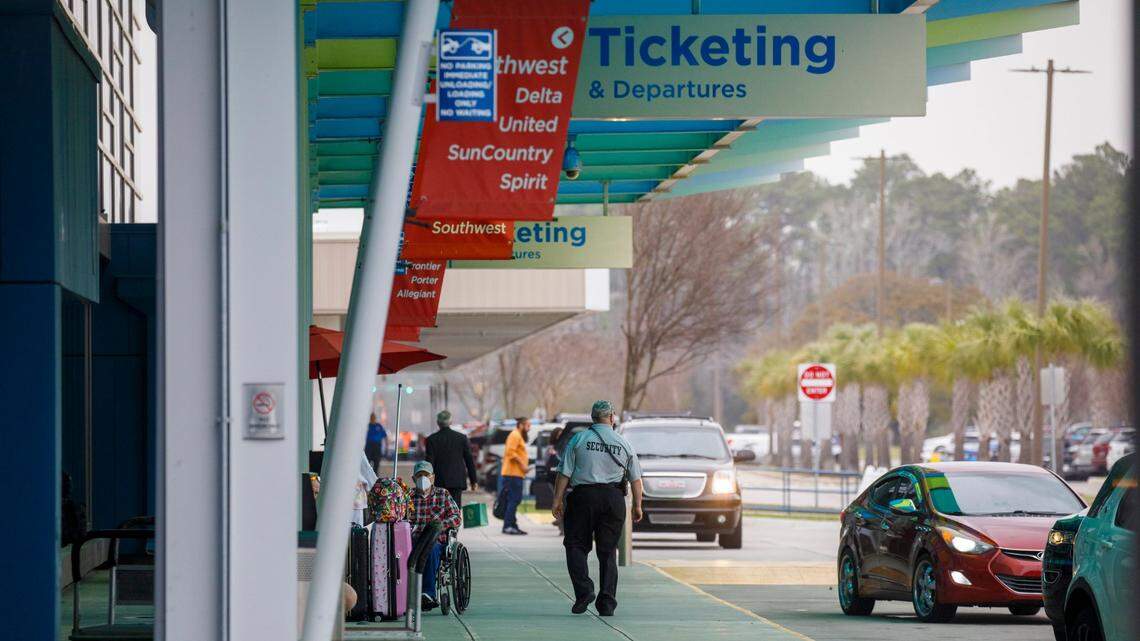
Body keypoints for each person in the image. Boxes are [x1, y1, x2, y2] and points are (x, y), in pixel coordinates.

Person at [551, 401, 643, 617]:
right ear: (612, 417)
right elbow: (636, 479)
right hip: (613, 499)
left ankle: (584, 591)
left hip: (583, 497)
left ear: (592, 417)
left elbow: (564, 472)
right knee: (608, 550)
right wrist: (638, 505)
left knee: (575, 545)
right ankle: (607, 603)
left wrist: (557, 500)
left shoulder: (579, 439)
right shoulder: (623, 443)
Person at [409, 461, 462, 611]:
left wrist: (439, 525)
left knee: (430, 550)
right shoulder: (409, 496)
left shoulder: (442, 494)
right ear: (413, 479)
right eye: (419, 476)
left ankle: (427, 593)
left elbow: (456, 518)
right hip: (414, 539)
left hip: (436, 540)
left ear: (432, 477)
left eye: (426, 475)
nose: (423, 478)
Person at [424, 410, 478, 507]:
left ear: (438, 423)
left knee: (440, 510)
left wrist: (425, 482)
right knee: (455, 509)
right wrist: (473, 480)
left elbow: (429, 463)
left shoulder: (431, 440)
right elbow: (469, 460)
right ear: (451, 422)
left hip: (439, 481)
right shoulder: (461, 438)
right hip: (456, 481)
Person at [499, 417, 530, 535]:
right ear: (521, 425)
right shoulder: (515, 435)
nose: (529, 428)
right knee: (514, 499)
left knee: (515, 500)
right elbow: (510, 452)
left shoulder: (518, 436)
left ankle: (512, 524)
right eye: (527, 425)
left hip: (516, 474)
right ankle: (508, 526)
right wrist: (523, 465)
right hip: (513, 474)